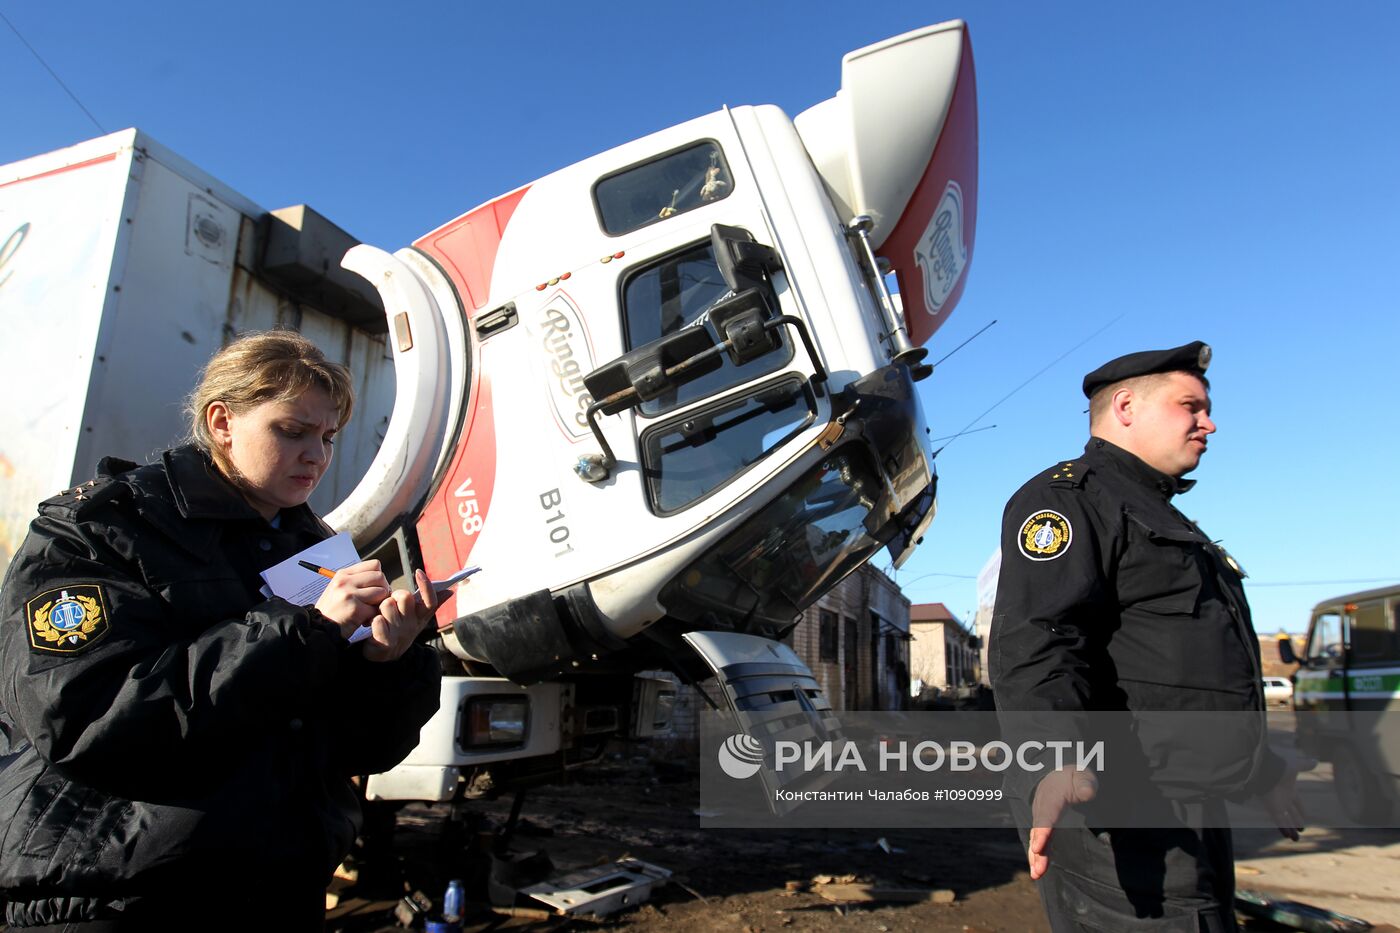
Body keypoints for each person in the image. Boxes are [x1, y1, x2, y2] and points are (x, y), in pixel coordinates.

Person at [0, 331, 442, 930]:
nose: (317, 454)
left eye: (327, 437)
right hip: (120, 898)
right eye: (292, 431)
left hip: (278, 891)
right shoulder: (104, 527)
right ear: (222, 422)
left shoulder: (313, 549)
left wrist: (387, 663)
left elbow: (360, 751)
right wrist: (306, 630)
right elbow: (82, 718)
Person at [989, 341, 1304, 932]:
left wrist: (1262, 769)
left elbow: (1179, 675)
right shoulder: (1069, 499)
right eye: (1192, 406)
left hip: (1191, 810)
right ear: (1127, 406)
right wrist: (1051, 758)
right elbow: (1039, 640)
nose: (1209, 423)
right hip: (1122, 815)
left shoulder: (1163, 516)